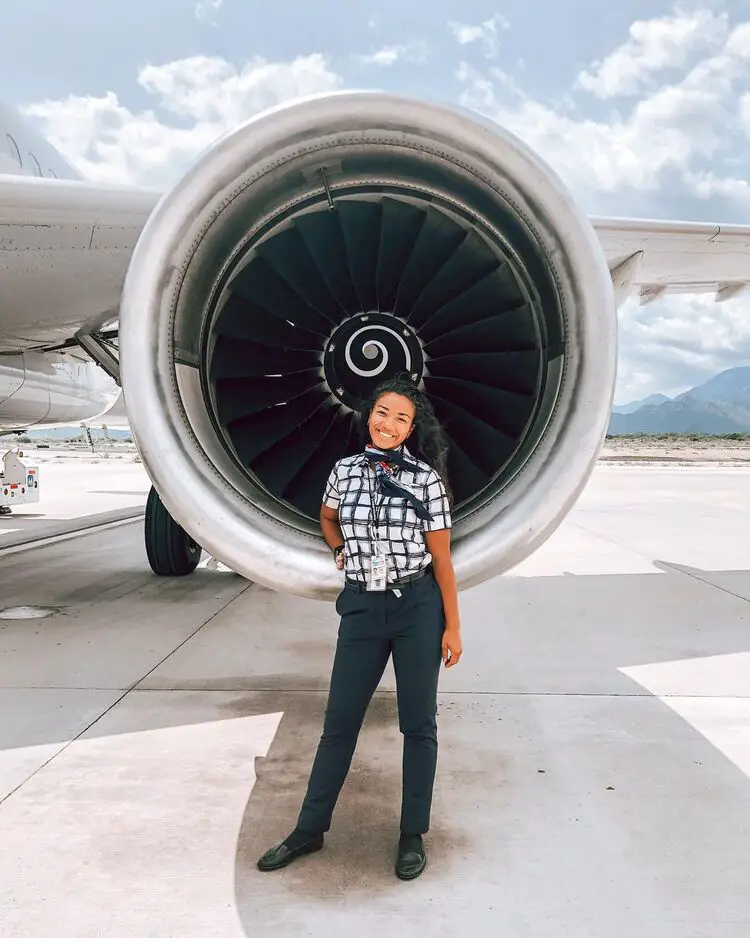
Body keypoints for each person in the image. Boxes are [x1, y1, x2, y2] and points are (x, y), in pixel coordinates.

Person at [256, 373, 462, 880]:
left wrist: (452, 627)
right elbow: (327, 518)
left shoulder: (426, 481)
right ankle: (309, 828)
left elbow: (442, 562)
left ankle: (412, 834)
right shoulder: (344, 471)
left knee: (419, 725)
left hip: (417, 607)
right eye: (382, 413)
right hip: (363, 609)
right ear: (368, 415)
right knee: (339, 722)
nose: (389, 424)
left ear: (412, 428)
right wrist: (338, 550)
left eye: (401, 418)